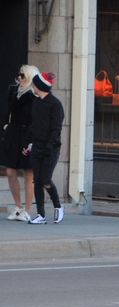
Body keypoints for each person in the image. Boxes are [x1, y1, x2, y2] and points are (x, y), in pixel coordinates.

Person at [22, 72, 65, 225]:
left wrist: (49, 146)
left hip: (51, 148)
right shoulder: (36, 102)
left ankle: (58, 207)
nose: (32, 86)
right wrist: (27, 142)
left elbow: (56, 129)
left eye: (34, 84)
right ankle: (41, 214)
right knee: (37, 181)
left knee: (45, 180)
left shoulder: (55, 104)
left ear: (39, 86)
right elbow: (34, 125)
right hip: (36, 146)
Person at [1, 65, 38, 222]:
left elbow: (35, 119)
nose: (19, 79)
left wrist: (32, 138)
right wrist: (5, 125)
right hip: (13, 133)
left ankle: (27, 210)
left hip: (27, 135)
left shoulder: (34, 96)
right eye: (19, 75)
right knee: (10, 171)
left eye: (23, 76)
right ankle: (17, 206)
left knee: (29, 173)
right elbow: (8, 111)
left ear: (29, 77)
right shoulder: (14, 91)